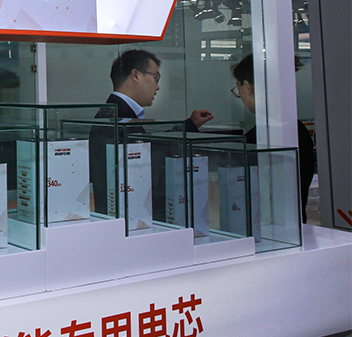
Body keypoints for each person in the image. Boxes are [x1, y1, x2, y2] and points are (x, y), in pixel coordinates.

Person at [90, 49, 215, 213]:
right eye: (156, 77)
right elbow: (152, 157)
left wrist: (190, 125)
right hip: (131, 211)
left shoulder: (115, 113)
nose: (157, 86)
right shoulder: (120, 117)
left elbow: (151, 145)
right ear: (136, 75)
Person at [232, 54, 316, 223]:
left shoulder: (264, 134)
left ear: (247, 87)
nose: (239, 95)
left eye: (237, 88)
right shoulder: (295, 129)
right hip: (293, 224)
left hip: (268, 226)